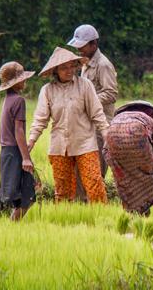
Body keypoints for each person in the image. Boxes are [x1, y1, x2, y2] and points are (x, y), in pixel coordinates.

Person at [27, 47, 110, 203]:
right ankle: (66, 221)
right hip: (59, 146)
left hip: (85, 143)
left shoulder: (85, 86)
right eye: (64, 67)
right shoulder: (47, 91)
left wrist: (106, 135)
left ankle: (101, 218)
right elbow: (40, 119)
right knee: (63, 190)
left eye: (72, 66)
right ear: (55, 71)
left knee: (95, 184)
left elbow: (97, 113)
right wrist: (31, 141)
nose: (69, 70)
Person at [68, 24, 118, 200]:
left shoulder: (103, 65)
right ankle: (81, 207)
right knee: (80, 171)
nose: (79, 49)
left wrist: (88, 100)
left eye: (82, 46)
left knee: (95, 172)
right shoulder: (85, 63)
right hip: (86, 124)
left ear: (94, 44)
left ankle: (94, 207)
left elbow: (111, 93)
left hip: (100, 126)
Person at [104, 101, 153, 221]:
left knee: (125, 183)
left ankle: (130, 220)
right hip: (138, 137)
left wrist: (118, 170)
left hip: (112, 137)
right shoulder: (150, 121)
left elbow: (106, 150)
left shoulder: (117, 119)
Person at [0, 61, 37, 221]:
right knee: (26, 194)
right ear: (16, 82)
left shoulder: (8, 100)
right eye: (22, 78)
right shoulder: (19, 101)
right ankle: (12, 225)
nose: (25, 81)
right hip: (14, 152)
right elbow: (18, 131)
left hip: (6, 153)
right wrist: (26, 158)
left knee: (12, 193)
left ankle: (8, 225)